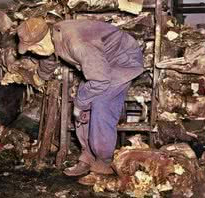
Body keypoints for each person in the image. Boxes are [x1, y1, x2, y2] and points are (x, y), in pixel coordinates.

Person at [17, 18, 144, 184]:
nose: (32, 52)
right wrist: (40, 78)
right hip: (102, 63)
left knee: (100, 104)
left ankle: (104, 163)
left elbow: (100, 81)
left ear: (42, 41)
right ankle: (88, 156)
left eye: (34, 47)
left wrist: (80, 102)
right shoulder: (52, 36)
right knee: (83, 109)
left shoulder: (77, 44)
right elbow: (48, 57)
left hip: (123, 60)